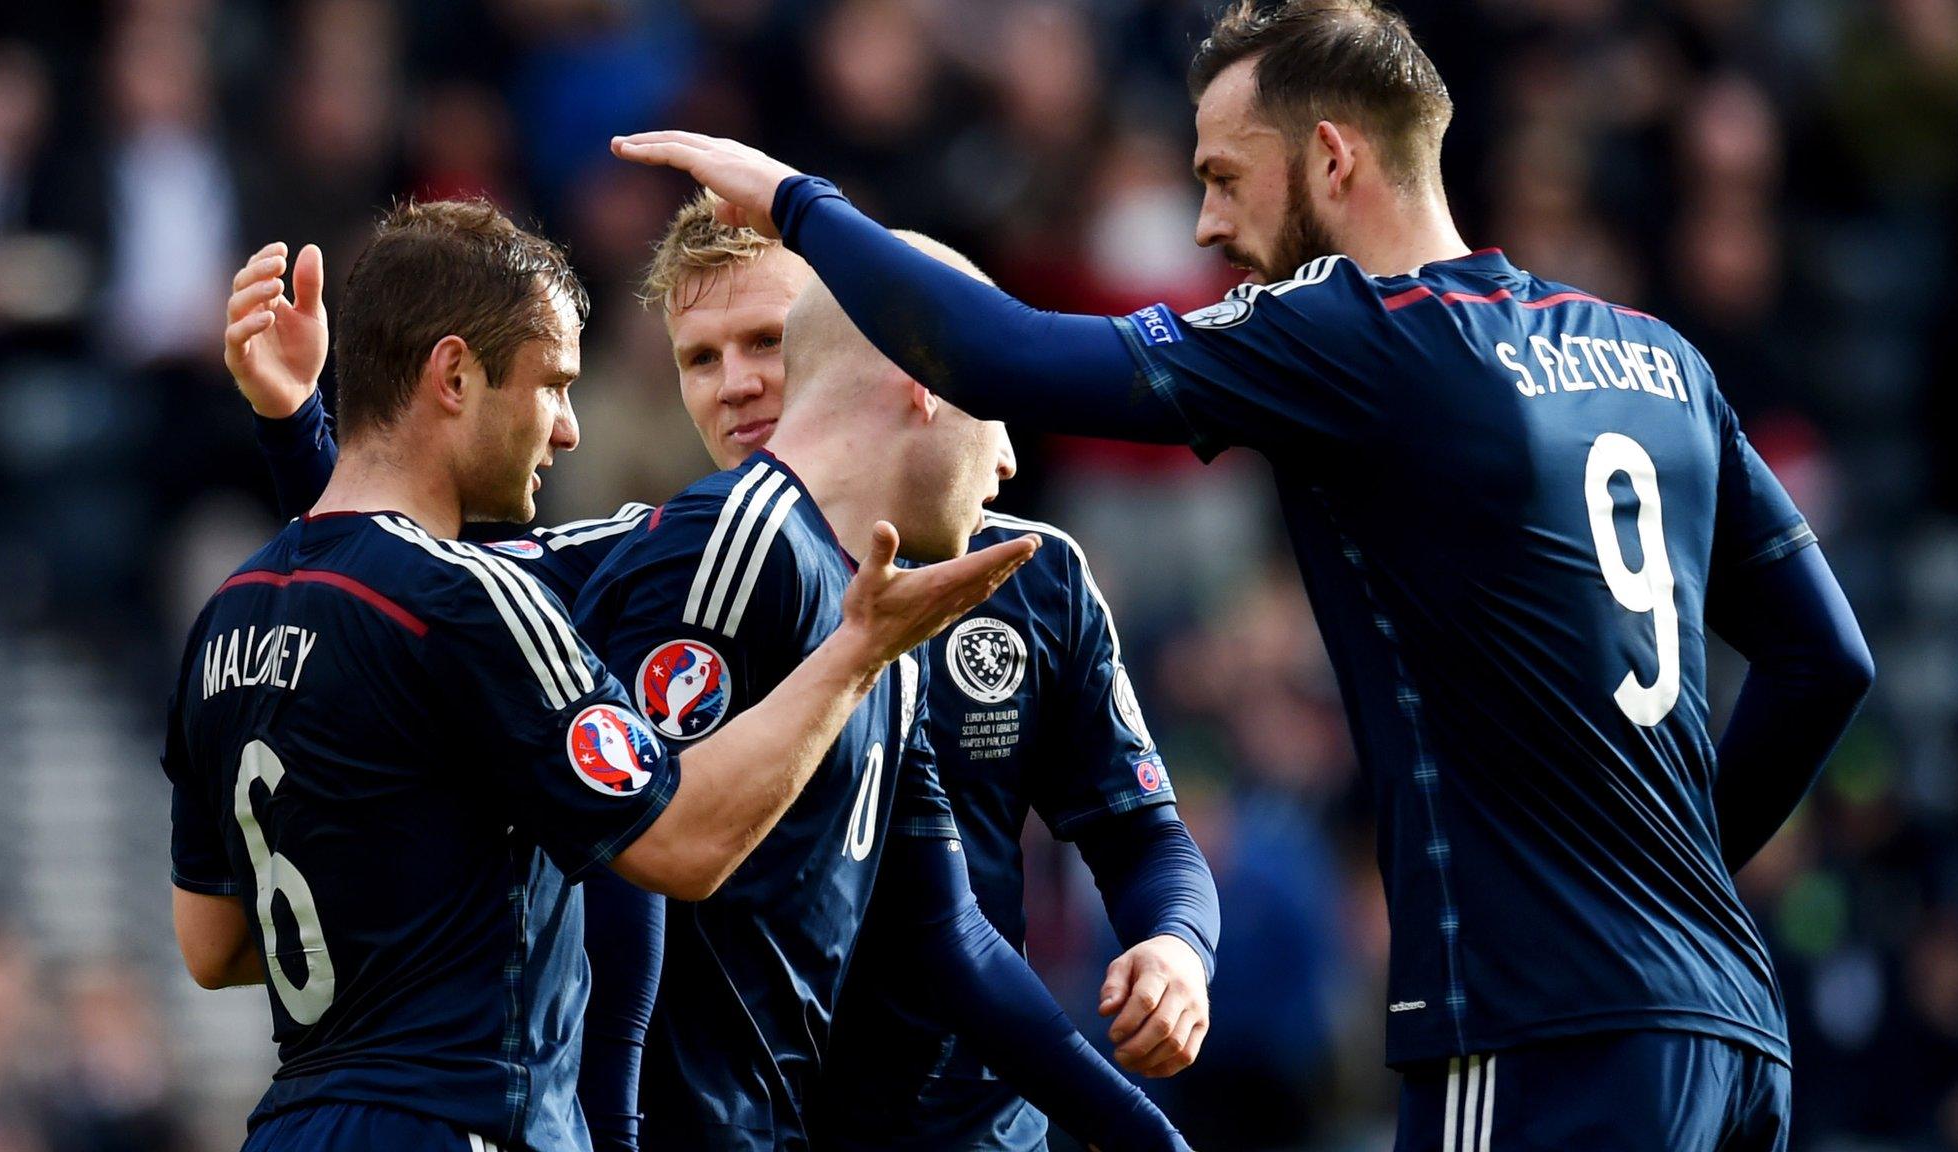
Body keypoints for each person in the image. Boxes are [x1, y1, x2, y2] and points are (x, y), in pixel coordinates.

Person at [610, 0, 1879, 1147]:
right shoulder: (1652, 352)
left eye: (1222, 178)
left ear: (1329, 157)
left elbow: (996, 357)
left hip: (1542, 1023)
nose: (1207, 225)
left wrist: (796, 202)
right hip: (1728, 1019)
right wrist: (1674, 878)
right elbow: (1825, 661)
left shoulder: (1360, 337)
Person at [238, 194, 1220, 1152]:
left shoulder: (1025, 582)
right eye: (699, 358)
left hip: (963, 1126)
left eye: (766, 341)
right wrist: (299, 429)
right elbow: (403, 582)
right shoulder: (676, 562)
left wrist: (1174, 952)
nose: (736, 382)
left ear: (867, 342)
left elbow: (1000, 907)